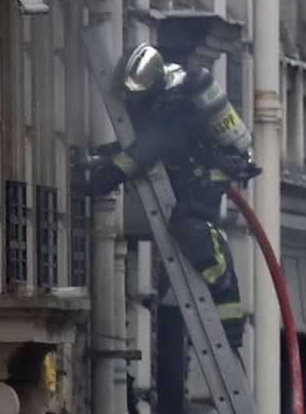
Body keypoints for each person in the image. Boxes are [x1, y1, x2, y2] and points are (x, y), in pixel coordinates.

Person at [86, 44, 259, 348]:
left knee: (187, 222)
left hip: (210, 173)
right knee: (193, 231)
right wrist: (97, 158)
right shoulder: (166, 94)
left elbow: (143, 151)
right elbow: (137, 145)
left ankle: (220, 281)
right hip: (197, 170)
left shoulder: (173, 106)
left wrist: (97, 184)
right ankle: (228, 316)